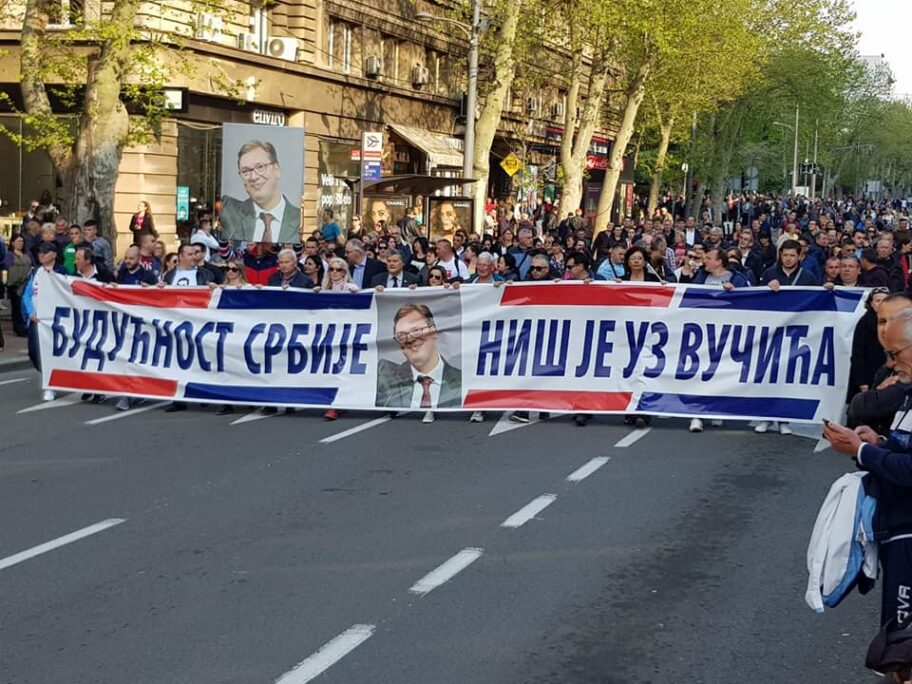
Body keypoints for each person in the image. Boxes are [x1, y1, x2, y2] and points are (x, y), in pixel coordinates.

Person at [823, 309, 912, 631]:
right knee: (895, 639)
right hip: (897, 527)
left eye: (894, 353)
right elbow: (904, 446)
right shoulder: (908, 393)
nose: (889, 363)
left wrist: (861, 449)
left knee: (899, 643)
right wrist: (876, 442)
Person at [375, 303, 462, 424]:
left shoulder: (462, 380)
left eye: (416, 330)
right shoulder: (385, 380)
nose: (410, 339)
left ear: (434, 331)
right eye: (402, 335)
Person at [220, 140, 302, 242]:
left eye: (260, 167)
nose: (253, 177)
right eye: (245, 171)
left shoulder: (299, 218)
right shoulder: (230, 212)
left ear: (276, 170)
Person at [21, 241, 67, 401]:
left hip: (54, 321)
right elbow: (28, 294)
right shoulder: (36, 272)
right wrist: (30, 312)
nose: (41, 255)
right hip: (38, 320)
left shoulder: (62, 272)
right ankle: (52, 375)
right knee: (34, 352)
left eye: (45, 252)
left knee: (51, 352)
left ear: (54, 254)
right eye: (40, 252)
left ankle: (51, 385)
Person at [5, 234, 32, 337]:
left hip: (27, 283)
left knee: (25, 306)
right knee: (17, 307)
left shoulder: (27, 254)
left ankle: (25, 326)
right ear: (12, 243)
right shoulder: (10, 255)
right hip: (15, 285)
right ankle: (19, 328)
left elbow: (32, 265)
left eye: (22, 241)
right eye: (18, 241)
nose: (20, 243)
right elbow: (8, 267)